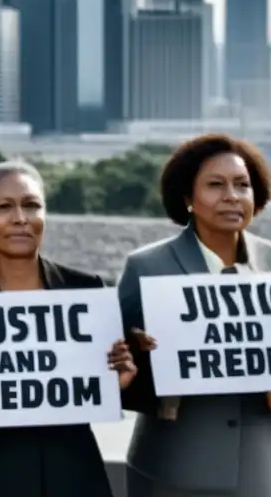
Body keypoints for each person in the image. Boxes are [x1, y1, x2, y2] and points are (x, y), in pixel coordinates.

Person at [0, 161, 137, 497]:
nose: (20, 218)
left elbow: (98, 394)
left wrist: (119, 382)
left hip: (73, 472)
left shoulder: (86, 289)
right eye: (4, 207)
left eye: (31, 205)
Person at [118, 134, 271, 497]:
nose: (232, 196)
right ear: (187, 198)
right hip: (171, 465)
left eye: (242, 185)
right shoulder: (146, 266)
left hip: (260, 466)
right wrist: (139, 353)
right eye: (216, 185)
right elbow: (107, 363)